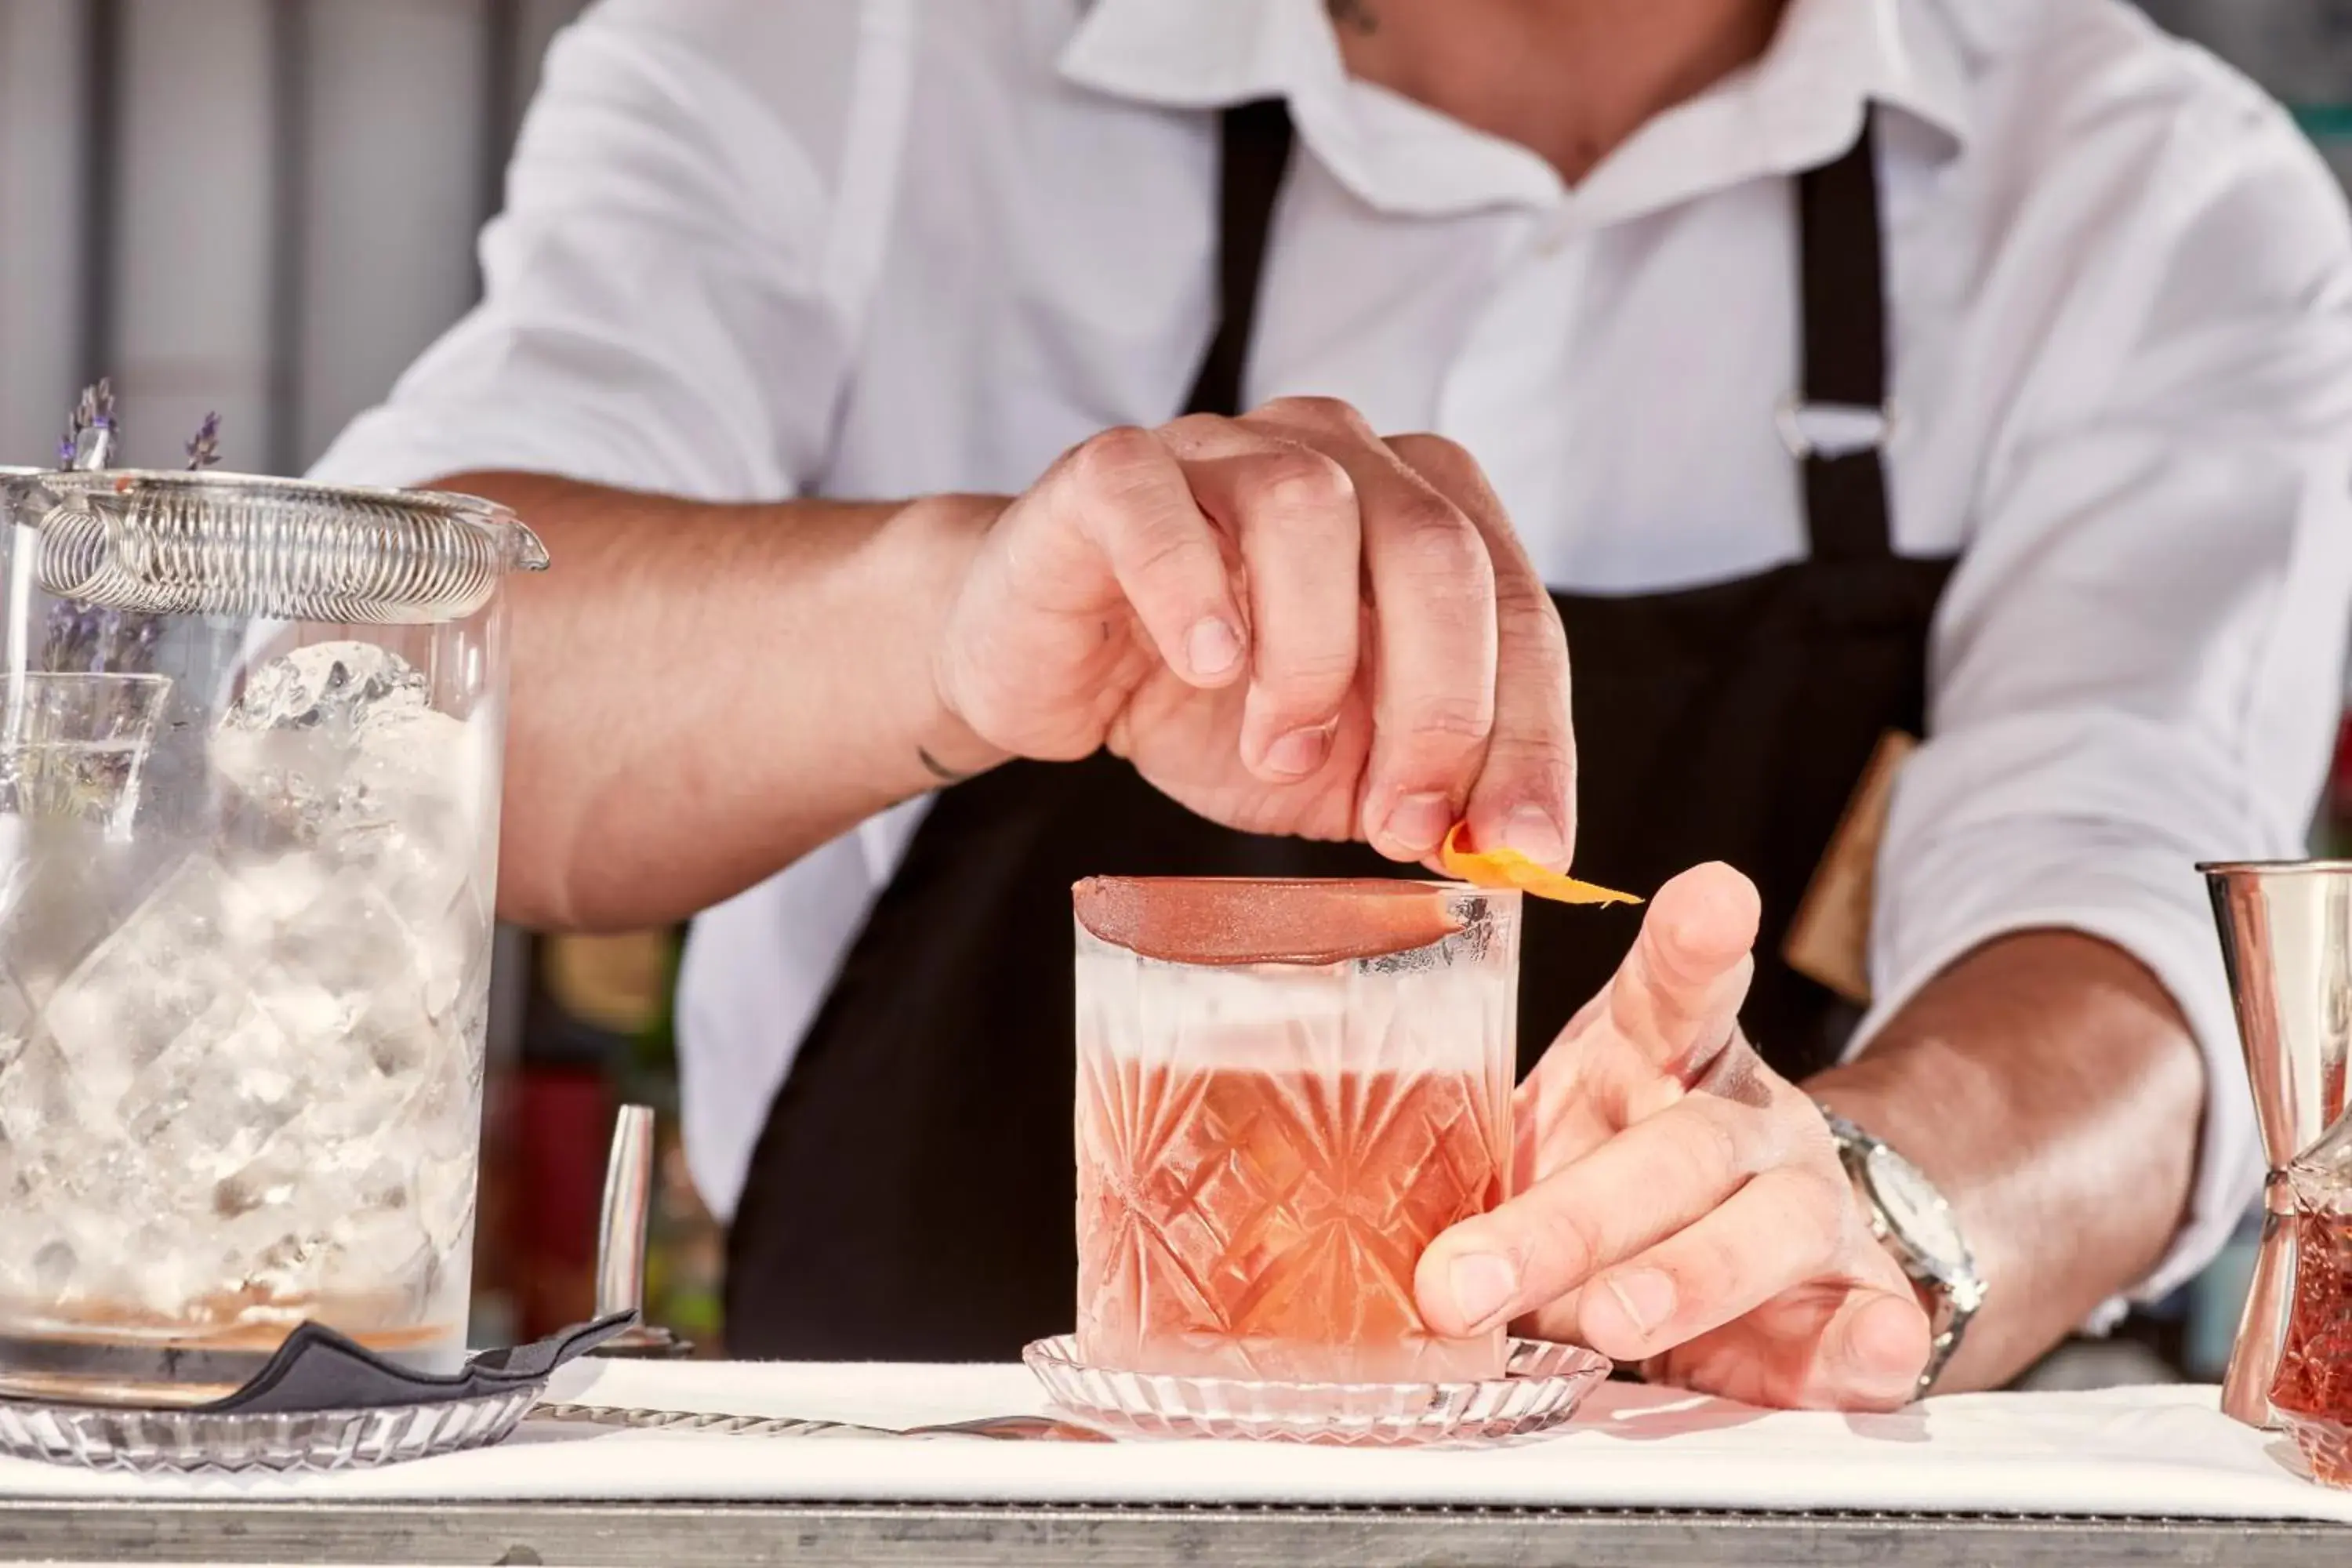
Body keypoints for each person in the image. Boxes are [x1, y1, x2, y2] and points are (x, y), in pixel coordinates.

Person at [313, 0, 2352, 1409]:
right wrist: (959, 616)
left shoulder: (2153, 199)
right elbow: (368, 694)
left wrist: (1879, 1210)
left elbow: (2126, 934)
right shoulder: (851, 58)